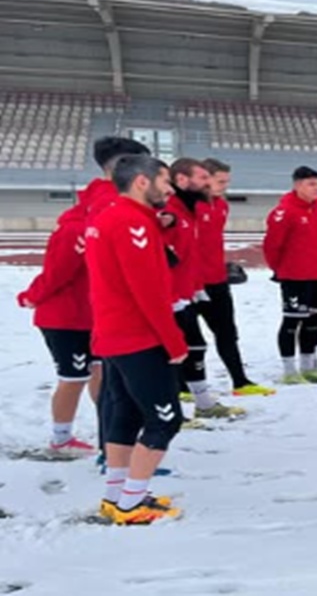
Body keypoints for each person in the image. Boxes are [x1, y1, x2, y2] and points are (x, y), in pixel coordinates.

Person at [87, 155, 187, 525]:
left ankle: (116, 496)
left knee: (125, 414)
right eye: (164, 181)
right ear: (142, 182)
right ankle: (131, 504)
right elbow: (147, 292)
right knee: (165, 420)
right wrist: (175, 344)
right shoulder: (132, 224)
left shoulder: (111, 217)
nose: (170, 188)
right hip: (138, 338)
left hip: (114, 335)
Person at [18, 187, 100, 455]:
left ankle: (110, 429)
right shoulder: (74, 231)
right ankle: (60, 438)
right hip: (66, 319)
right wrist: (30, 296)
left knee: (102, 373)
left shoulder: (101, 225)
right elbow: (55, 274)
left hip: (93, 316)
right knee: (73, 378)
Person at [162, 158, 242, 420]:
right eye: (205, 178)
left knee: (195, 344)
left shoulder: (192, 208)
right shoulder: (170, 210)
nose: (210, 184)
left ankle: (203, 403)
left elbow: (192, 251)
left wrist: (196, 285)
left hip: (191, 288)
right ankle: (170, 407)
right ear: (182, 180)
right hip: (169, 293)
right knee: (171, 349)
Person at [196, 159, 272, 396]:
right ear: (204, 178)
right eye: (220, 181)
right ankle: (184, 385)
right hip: (190, 282)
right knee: (190, 338)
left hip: (216, 279)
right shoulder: (187, 206)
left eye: (227, 181)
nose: (224, 186)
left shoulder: (220, 205)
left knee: (228, 332)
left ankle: (240, 381)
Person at [263, 166, 317, 384]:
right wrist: (280, 270)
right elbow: (272, 246)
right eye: (311, 184)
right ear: (297, 185)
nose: (316, 188)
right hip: (295, 276)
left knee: (314, 321)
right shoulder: (284, 211)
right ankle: (289, 370)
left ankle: (308, 365)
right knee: (292, 322)